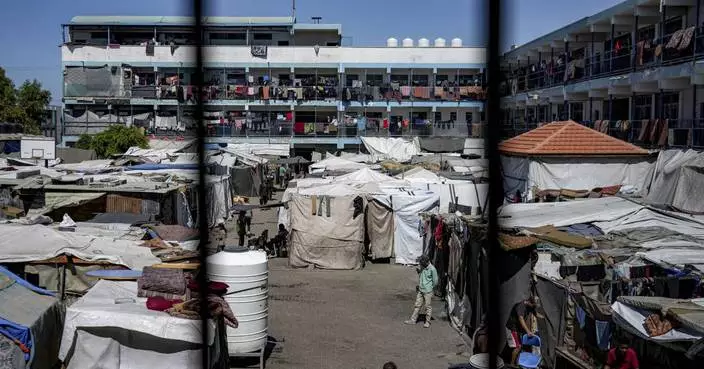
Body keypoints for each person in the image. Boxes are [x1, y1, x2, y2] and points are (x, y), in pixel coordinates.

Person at [404, 255, 438, 328]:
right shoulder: (423, 267)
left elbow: (435, 282)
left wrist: (430, 288)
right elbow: (422, 277)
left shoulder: (432, 269)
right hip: (421, 290)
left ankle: (427, 322)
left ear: (427, 262)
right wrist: (419, 273)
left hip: (428, 291)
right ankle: (413, 320)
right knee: (417, 305)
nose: (420, 264)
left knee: (427, 306)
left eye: (422, 262)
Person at [506, 296, 537, 365]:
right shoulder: (521, 306)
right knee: (518, 347)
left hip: (517, 329)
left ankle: (516, 363)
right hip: (512, 328)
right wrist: (528, 331)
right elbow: (521, 318)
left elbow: (536, 314)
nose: (534, 307)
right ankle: (512, 365)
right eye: (534, 305)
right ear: (529, 302)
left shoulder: (529, 307)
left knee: (519, 346)